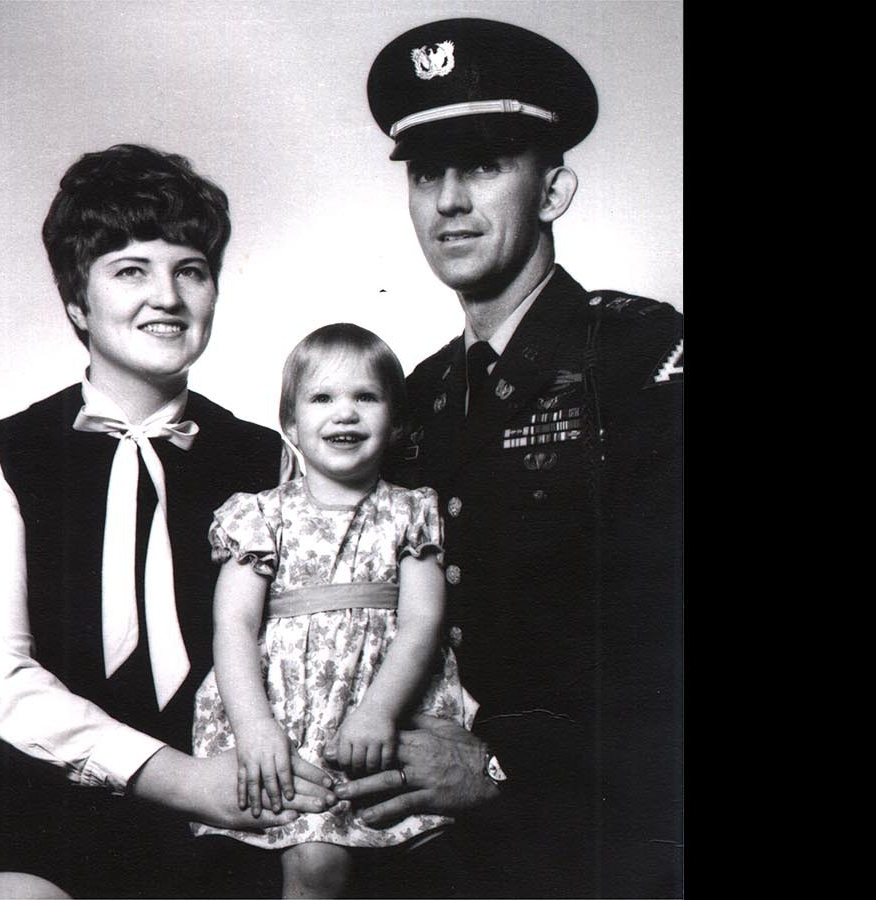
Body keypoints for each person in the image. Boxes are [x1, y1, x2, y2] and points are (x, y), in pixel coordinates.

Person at [333, 18, 685, 898]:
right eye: (425, 174)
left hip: (612, 838)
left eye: (485, 165)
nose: (449, 200)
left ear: (555, 189)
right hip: (433, 844)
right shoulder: (415, 397)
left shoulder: (644, 360)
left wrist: (501, 766)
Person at [0, 144, 339, 899]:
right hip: (37, 798)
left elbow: (308, 648)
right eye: (131, 270)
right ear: (77, 300)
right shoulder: (0, 456)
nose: (167, 296)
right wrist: (176, 779)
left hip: (230, 804)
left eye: (191, 270)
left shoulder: (269, 460)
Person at [188, 323, 474, 898]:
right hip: (284, 717)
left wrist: (377, 712)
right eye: (322, 398)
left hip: (381, 707)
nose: (344, 414)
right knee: (315, 864)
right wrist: (255, 729)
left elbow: (423, 622)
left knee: (426, 864)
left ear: (394, 422)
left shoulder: (411, 511)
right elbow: (234, 626)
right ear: (291, 424)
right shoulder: (258, 515)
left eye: (365, 397)